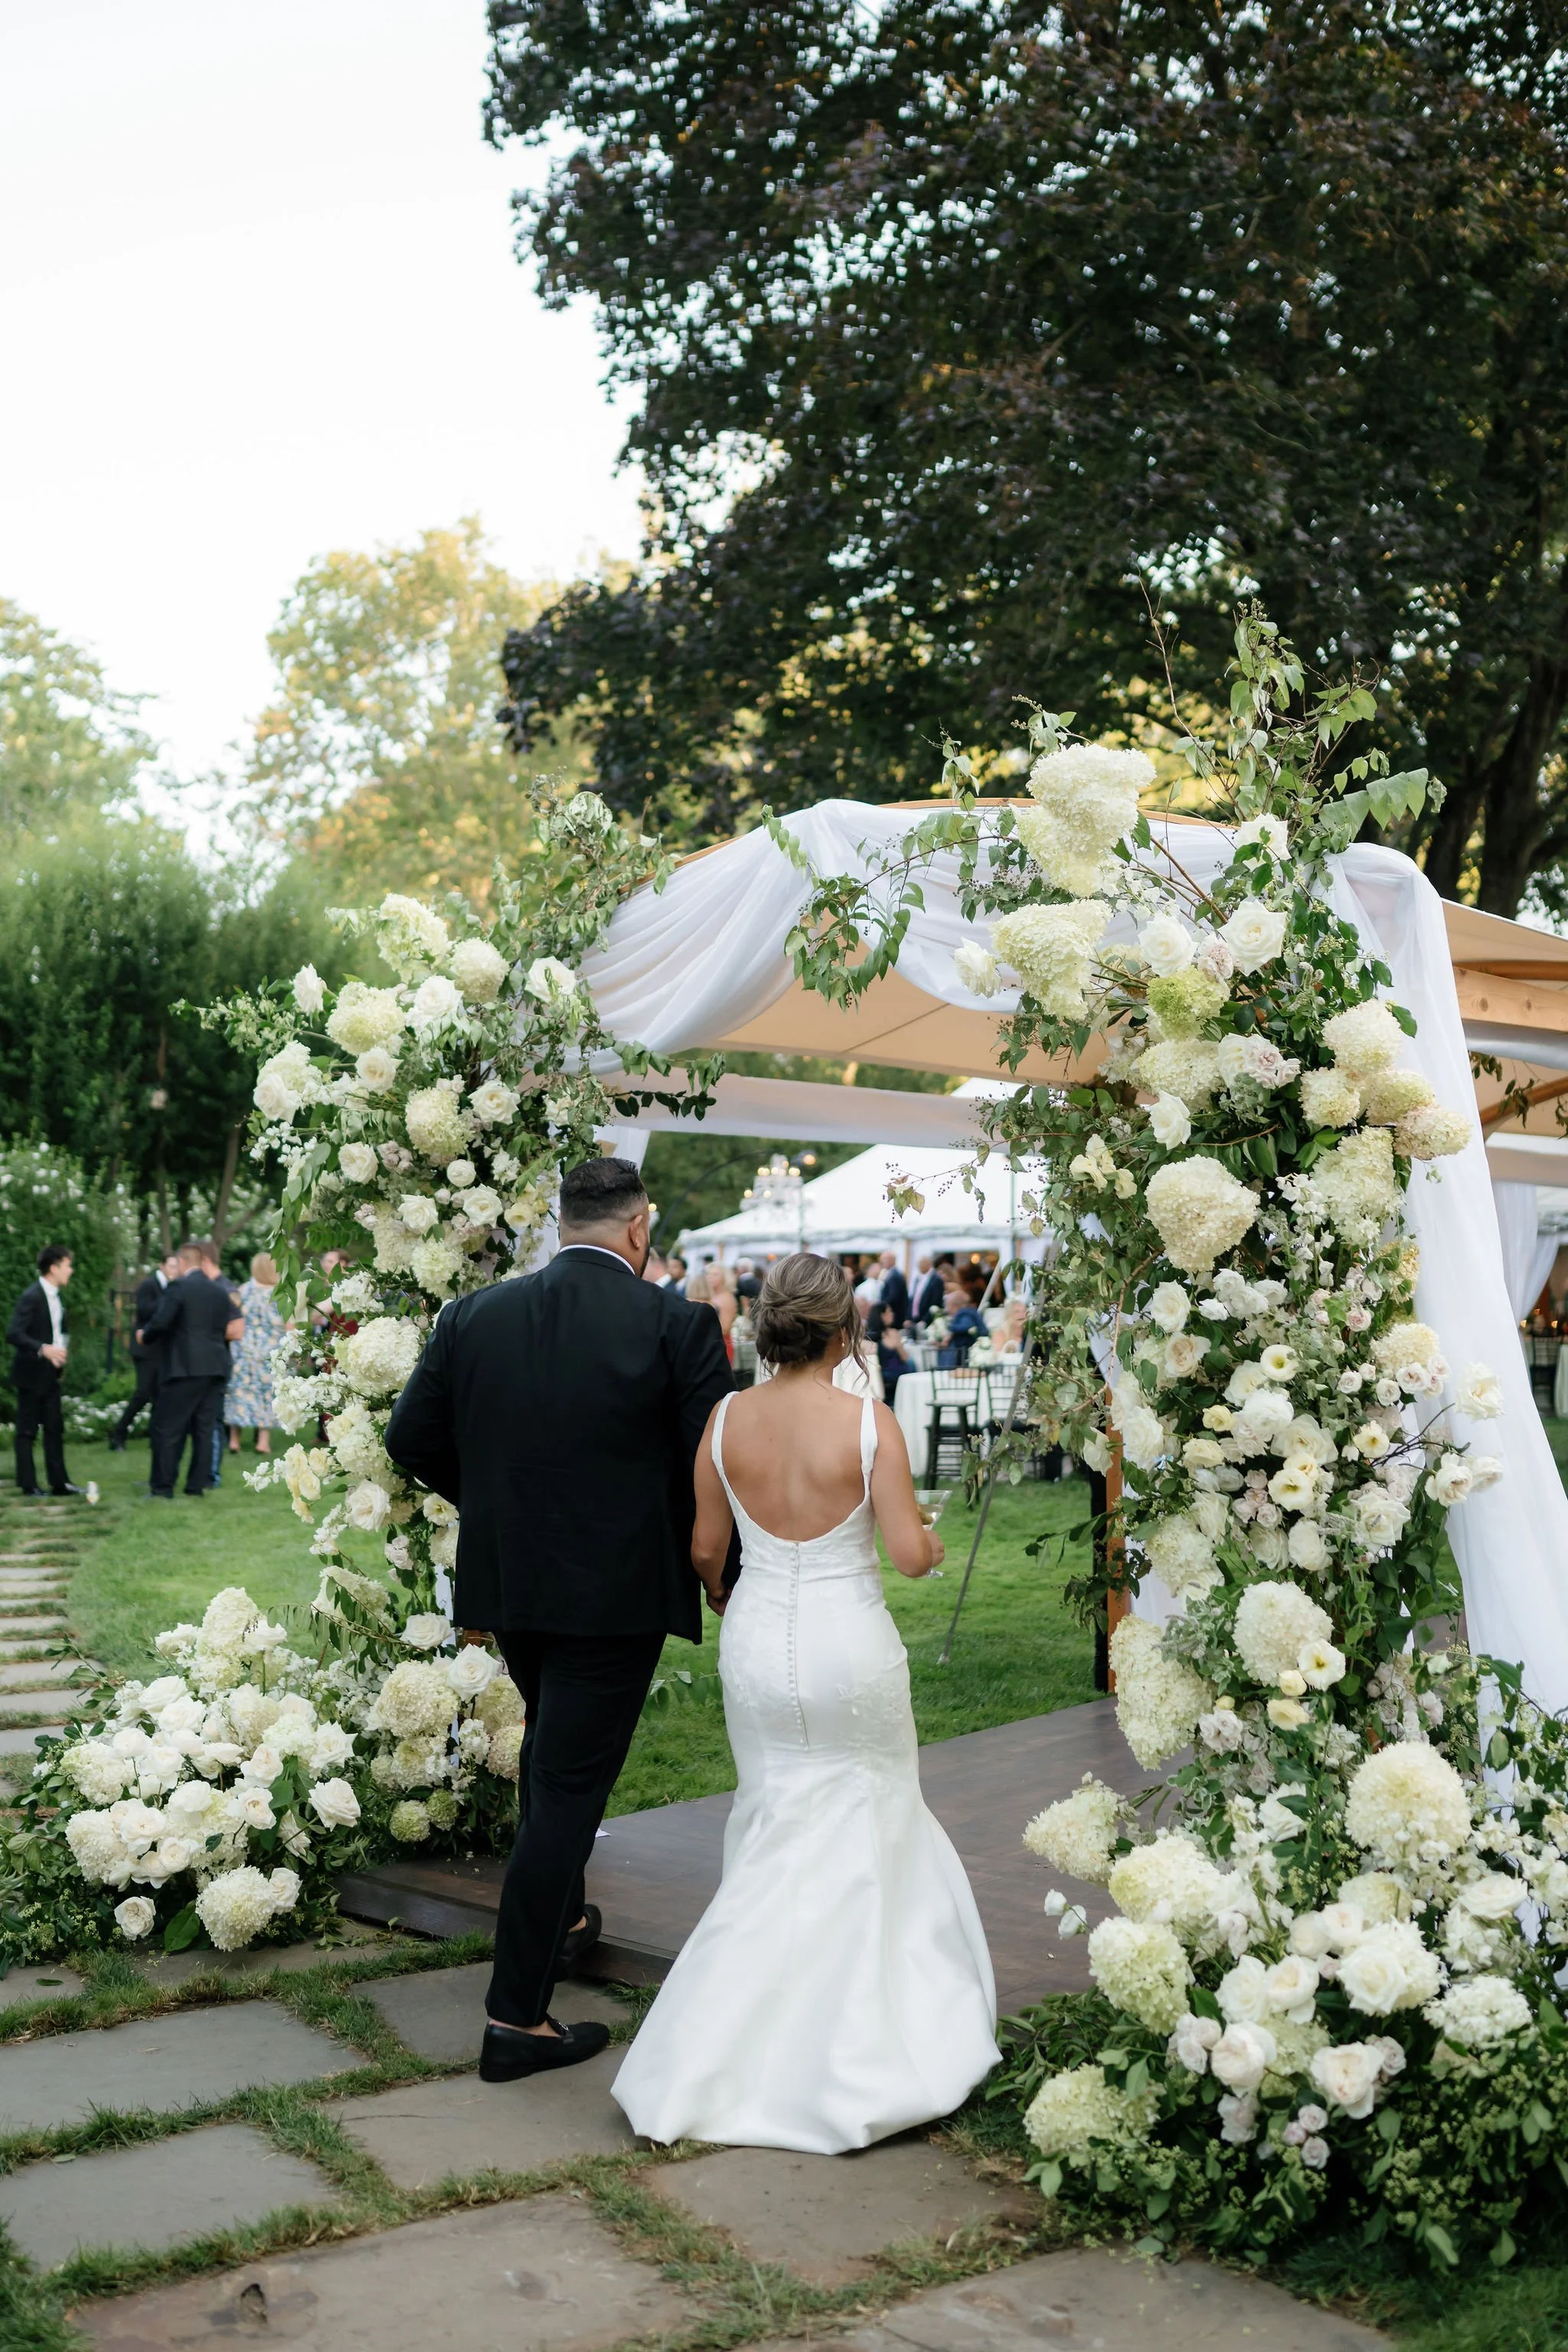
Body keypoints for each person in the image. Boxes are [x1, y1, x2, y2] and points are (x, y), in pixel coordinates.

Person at [612, 1253, 998, 2151]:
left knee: (776, 1821)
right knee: (869, 1824)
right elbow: (905, 1555)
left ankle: (721, 2049)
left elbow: (707, 1548)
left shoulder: (722, 1420)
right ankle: (859, 2052)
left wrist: (720, 1594)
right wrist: (933, 1545)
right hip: (847, 1647)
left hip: (757, 1646)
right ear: (844, 1331)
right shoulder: (867, 1425)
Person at [384, 1155, 735, 2083]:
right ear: (637, 1229)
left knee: (552, 1760)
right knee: (568, 1789)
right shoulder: (678, 1322)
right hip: (615, 1593)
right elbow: (717, 1457)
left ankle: (566, 1926)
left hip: (514, 1587)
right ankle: (515, 2019)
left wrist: (497, 1504)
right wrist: (720, 1569)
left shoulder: (471, 1317)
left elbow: (409, 1438)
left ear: (563, 1222)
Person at [142, 1240, 243, 1499]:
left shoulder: (178, 1288)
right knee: (204, 1429)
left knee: (167, 1428)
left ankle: (162, 1488)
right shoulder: (220, 1292)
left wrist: (146, 1335)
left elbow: (162, 1321)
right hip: (216, 1366)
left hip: (185, 1367)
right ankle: (196, 1486)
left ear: (183, 1263)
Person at [7, 1244, 83, 1497]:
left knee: (54, 1427)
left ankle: (60, 1484)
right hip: (30, 1374)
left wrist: (61, 1351)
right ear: (54, 1268)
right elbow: (14, 1334)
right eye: (68, 1266)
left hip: (50, 1375)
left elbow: (59, 1331)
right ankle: (29, 1486)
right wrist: (43, 1349)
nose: (71, 1271)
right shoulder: (32, 1296)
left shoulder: (57, 1298)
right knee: (27, 1431)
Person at [109, 1251, 180, 1452]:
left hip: (161, 1349)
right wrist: (169, 1300)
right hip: (145, 1348)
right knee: (143, 1393)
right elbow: (144, 1310)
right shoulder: (150, 1285)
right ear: (163, 1266)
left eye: (177, 1266)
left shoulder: (172, 1287)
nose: (175, 1270)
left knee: (160, 1395)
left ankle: (156, 1438)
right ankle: (119, 1434)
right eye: (172, 1266)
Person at [225, 1253, 286, 1457]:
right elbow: (289, 1324)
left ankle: (234, 1440)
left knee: (239, 1391)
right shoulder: (280, 1294)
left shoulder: (243, 1290)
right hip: (270, 1350)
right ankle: (263, 1441)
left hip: (243, 1348)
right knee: (266, 1394)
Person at [876, 1249, 911, 1328]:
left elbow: (894, 1296)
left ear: (891, 1260)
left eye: (884, 1260)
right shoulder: (894, 1274)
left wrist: (881, 1306)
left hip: (894, 1315)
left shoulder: (894, 1276)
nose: (882, 1262)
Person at [910, 1253, 945, 1327]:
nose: (919, 1266)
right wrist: (909, 1317)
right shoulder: (918, 1278)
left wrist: (925, 1320)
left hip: (927, 1321)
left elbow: (935, 1302)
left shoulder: (936, 1280)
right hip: (915, 1318)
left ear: (930, 1264)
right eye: (918, 1264)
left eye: (921, 1263)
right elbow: (913, 1298)